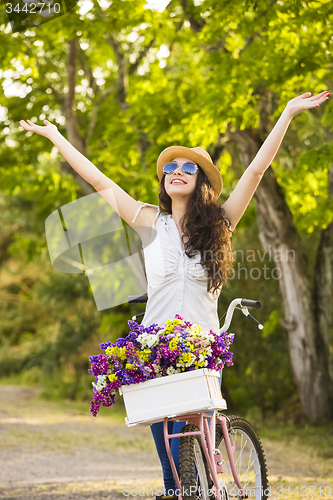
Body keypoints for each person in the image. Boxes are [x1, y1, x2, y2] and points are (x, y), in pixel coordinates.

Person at [19, 89, 329, 495]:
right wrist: (56, 137)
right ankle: (177, 488)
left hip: (201, 344)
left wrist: (287, 113)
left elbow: (254, 172)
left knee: (194, 428)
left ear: (200, 180)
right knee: (167, 444)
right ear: (164, 181)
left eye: (188, 167)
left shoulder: (221, 224)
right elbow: (98, 180)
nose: (177, 171)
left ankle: (203, 480)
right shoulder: (150, 221)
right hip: (155, 344)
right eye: (170, 168)